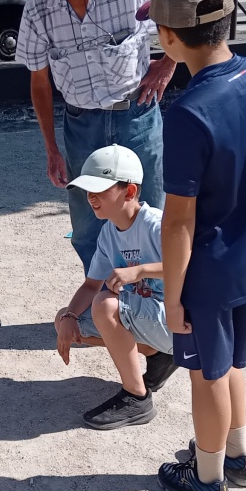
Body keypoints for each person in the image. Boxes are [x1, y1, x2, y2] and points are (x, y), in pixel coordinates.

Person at [143, 0, 246, 491]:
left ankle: (206, 478)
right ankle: (238, 456)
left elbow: (178, 223)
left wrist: (174, 297)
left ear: (170, 37)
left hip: (210, 269)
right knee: (232, 364)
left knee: (205, 373)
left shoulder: (188, 113)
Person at [11, 0, 177, 275]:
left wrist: (168, 64)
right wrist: (52, 149)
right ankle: (103, 306)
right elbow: (39, 82)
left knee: (150, 216)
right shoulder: (38, 9)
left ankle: (154, 308)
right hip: (81, 126)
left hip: (137, 116)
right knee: (88, 227)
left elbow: (181, 7)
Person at [53, 145, 177, 430]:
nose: (91, 197)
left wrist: (142, 270)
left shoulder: (156, 225)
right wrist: (70, 318)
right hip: (150, 319)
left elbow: (194, 266)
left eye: (100, 189)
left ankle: (137, 398)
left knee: (105, 305)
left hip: (180, 321)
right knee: (63, 319)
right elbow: (90, 285)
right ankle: (159, 356)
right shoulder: (109, 231)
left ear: (130, 192)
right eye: (88, 190)